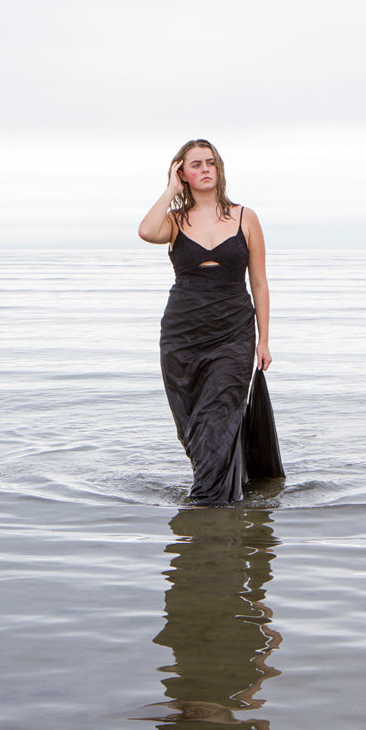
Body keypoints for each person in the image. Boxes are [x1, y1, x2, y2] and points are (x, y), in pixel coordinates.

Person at [138, 138, 282, 504]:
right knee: (194, 427)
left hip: (233, 334)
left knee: (220, 417)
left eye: (210, 163)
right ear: (182, 173)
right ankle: (216, 506)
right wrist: (170, 189)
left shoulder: (245, 217)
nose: (204, 169)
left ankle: (207, 508)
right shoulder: (173, 222)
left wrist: (263, 340)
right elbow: (145, 231)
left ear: (219, 170)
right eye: (195, 164)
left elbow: (260, 282)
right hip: (182, 337)